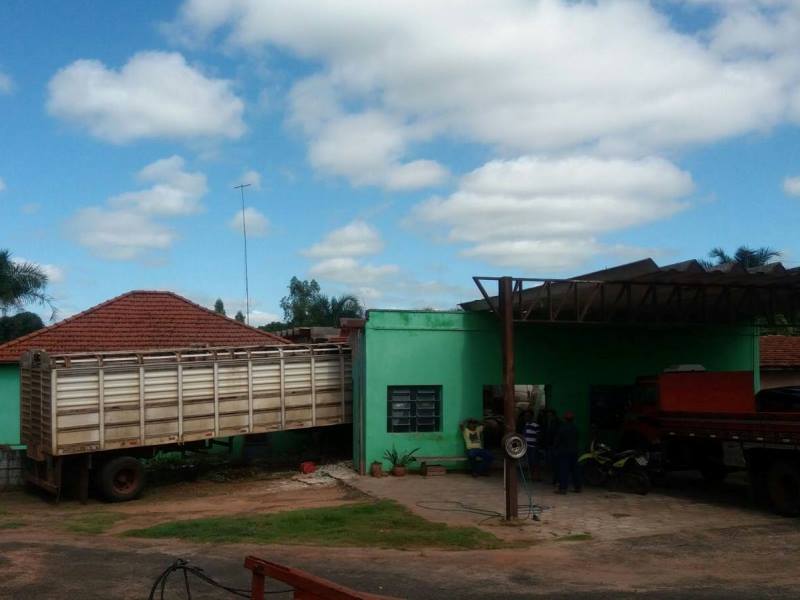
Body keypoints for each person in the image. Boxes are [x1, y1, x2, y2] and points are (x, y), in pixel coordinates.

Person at [554, 410, 581, 494]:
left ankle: (562, 488)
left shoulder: (562, 428)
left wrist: (555, 448)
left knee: (563, 470)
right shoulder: (575, 428)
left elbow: (557, 440)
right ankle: (578, 487)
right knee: (575, 470)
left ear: (564, 419)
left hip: (564, 452)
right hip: (574, 451)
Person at [523, 410, 541, 481]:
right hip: (527, 446)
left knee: (534, 462)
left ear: (531, 416)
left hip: (534, 447)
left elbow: (539, 436)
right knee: (529, 462)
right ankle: (531, 475)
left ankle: (536, 476)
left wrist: (537, 445)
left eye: (527, 416)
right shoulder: (526, 425)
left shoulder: (536, 425)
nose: (526, 417)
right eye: (525, 416)